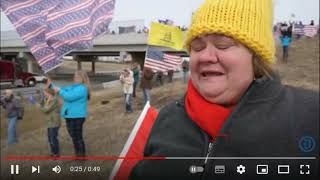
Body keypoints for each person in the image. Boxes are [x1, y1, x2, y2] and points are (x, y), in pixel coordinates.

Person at [130, 0, 319, 179]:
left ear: (256, 57)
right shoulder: (167, 117)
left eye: (223, 44)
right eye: (197, 46)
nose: (206, 56)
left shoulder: (310, 115)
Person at [47, 70, 91, 158]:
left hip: (77, 116)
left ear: (82, 78)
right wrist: (51, 85)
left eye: (77, 77)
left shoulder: (82, 88)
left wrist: (59, 91)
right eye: (74, 76)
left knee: (77, 137)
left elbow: (69, 97)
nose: (75, 78)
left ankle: (81, 155)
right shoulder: (74, 86)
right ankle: (77, 153)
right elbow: (63, 89)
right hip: (69, 115)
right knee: (73, 136)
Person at [38, 88, 61, 157]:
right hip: (50, 122)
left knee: (53, 138)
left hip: (54, 122)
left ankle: (56, 153)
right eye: (44, 93)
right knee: (50, 138)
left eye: (45, 93)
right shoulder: (47, 99)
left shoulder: (54, 100)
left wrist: (38, 105)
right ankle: (52, 152)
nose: (44, 94)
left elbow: (46, 109)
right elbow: (43, 106)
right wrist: (41, 101)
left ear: (49, 93)